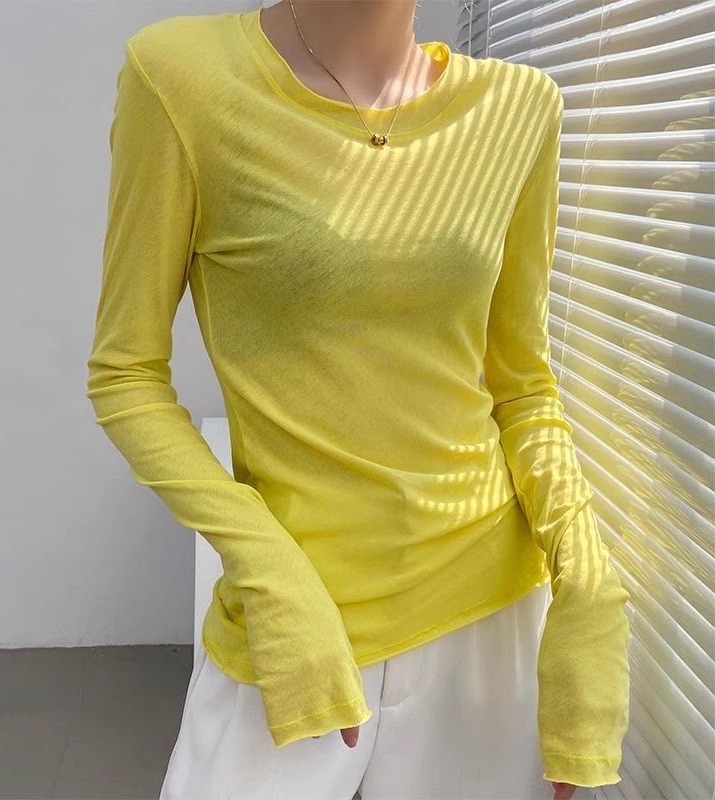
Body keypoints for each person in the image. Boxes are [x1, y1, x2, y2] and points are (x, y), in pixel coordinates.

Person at [85, 1, 632, 798]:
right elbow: (125, 375)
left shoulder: (519, 106)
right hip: (296, 624)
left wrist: (586, 578)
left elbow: (520, 384)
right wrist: (272, 575)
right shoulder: (181, 78)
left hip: (488, 619)